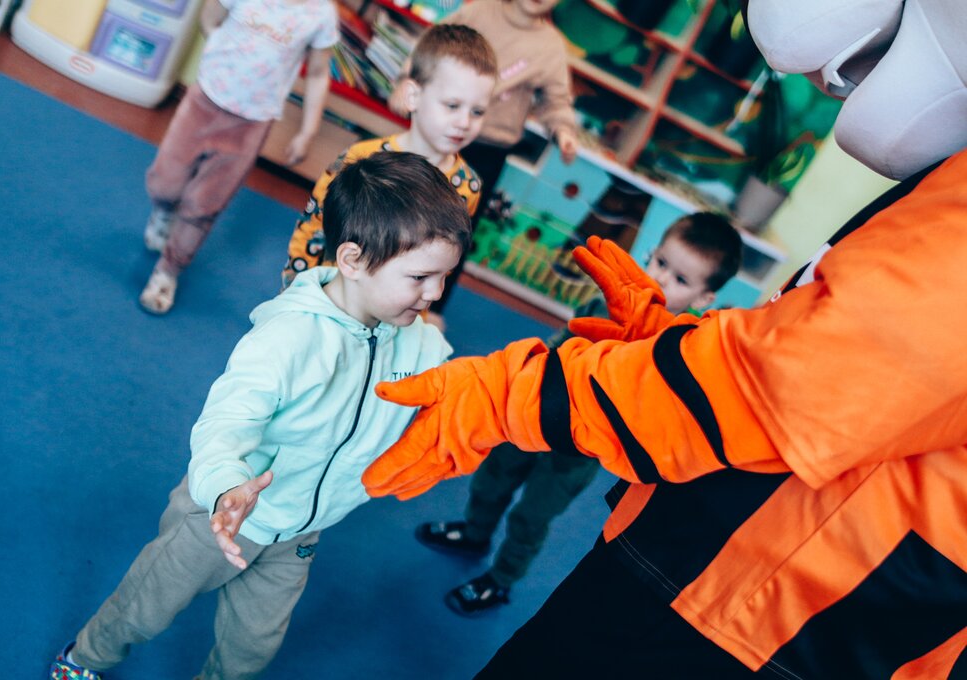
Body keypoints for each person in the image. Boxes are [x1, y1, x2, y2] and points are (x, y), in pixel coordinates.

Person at [360, 0, 967, 675]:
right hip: (731, 578)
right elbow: (855, 359)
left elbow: (793, 389)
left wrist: (516, 395)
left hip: (762, 621)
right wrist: (666, 340)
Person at [49, 152, 470, 680]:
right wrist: (225, 487)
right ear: (353, 260)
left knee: (253, 647)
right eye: (421, 277)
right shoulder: (288, 338)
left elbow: (461, 384)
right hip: (223, 516)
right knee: (146, 606)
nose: (435, 294)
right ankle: (86, 657)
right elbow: (225, 422)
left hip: (301, 531)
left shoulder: (414, 338)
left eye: (444, 277)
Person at [414, 212, 742, 616]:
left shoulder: (674, 347)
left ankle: (500, 581)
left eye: (680, 279)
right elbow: (558, 344)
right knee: (491, 479)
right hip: (530, 417)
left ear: (704, 298)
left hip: (575, 451)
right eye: (660, 262)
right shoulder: (603, 303)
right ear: (651, 252)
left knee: (532, 516)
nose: (659, 279)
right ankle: (474, 533)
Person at [389, 0, 581, 328]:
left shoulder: (550, 46)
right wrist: (407, 82)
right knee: (401, 207)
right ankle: (381, 278)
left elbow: (556, 101)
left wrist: (563, 130)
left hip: (487, 150)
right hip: (437, 131)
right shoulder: (481, 10)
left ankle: (430, 309)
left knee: (455, 231)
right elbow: (431, 46)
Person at [138, 0, 337, 314]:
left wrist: (308, 132)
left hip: (251, 123)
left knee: (205, 203)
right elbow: (210, 17)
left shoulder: (321, 13)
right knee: (165, 182)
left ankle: (168, 271)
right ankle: (164, 211)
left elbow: (317, 73)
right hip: (205, 100)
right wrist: (221, 54)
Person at [281, 23, 497, 296]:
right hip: (336, 297)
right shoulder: (360, 159)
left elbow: (442, 262)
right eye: (452, 105)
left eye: (477, 112)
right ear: (413, 96)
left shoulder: (468, 186)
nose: (464, 122)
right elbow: (315, 228)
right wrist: (295, 290)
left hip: (399, 310)